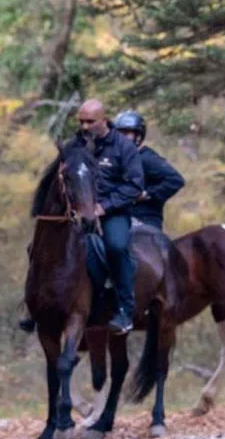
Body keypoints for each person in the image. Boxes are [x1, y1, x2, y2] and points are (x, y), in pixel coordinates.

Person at [18, 98, 143, 335]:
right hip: (78, 210)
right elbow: (58, 179)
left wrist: (103, 207)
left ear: (104, 120)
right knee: (37, 246)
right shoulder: (74, 144)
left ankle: (125, 309)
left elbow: (134, 186)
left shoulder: (123, 147)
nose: (85, 127)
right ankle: (33, 306)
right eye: (81, 121)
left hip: (111, 211)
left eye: (90, 122)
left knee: (116, 247)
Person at [113, 110, 185, 232]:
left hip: (145, 219)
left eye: (126, 133)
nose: (121, 138)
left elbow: (175, 180)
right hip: (120, 216)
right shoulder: (117, 159)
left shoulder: (147, 158)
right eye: (119, 134)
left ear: (138, 136)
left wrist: (147, 194)